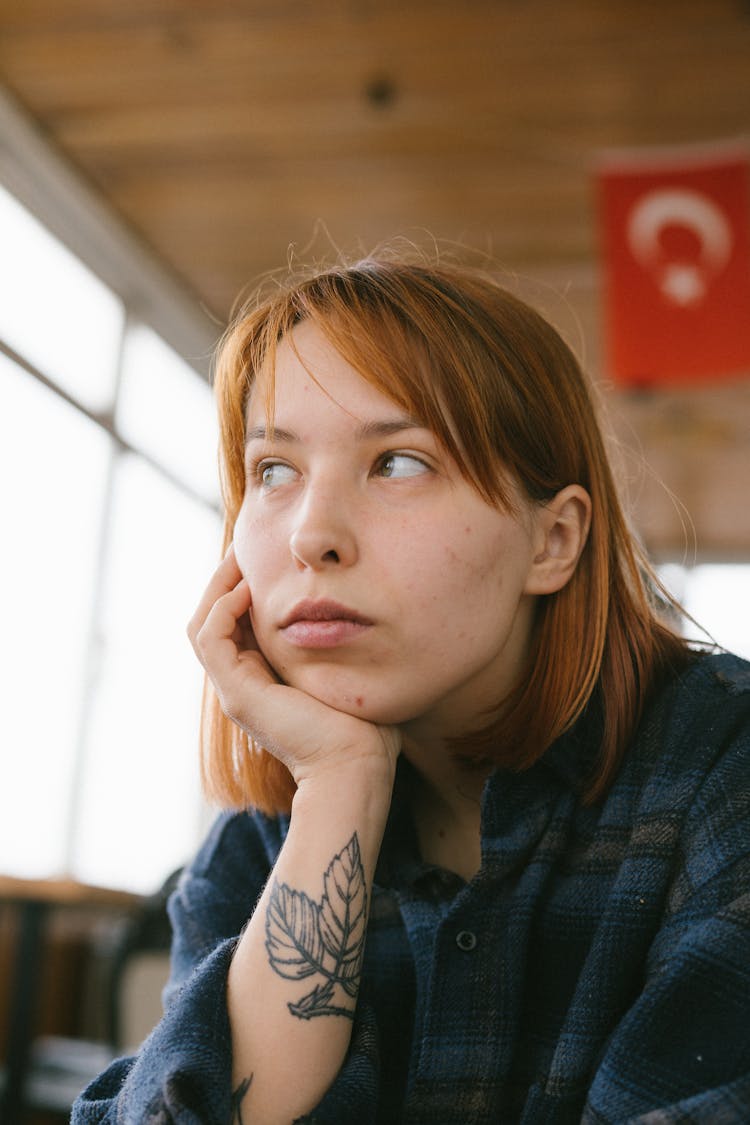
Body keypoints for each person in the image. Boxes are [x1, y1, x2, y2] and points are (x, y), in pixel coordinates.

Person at [73, 253, 750, 1124]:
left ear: (553, 540)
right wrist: (341, 784)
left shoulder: (720, 767)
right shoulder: (258, 850)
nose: (312, 532)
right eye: (274, 470)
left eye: (397, 462)